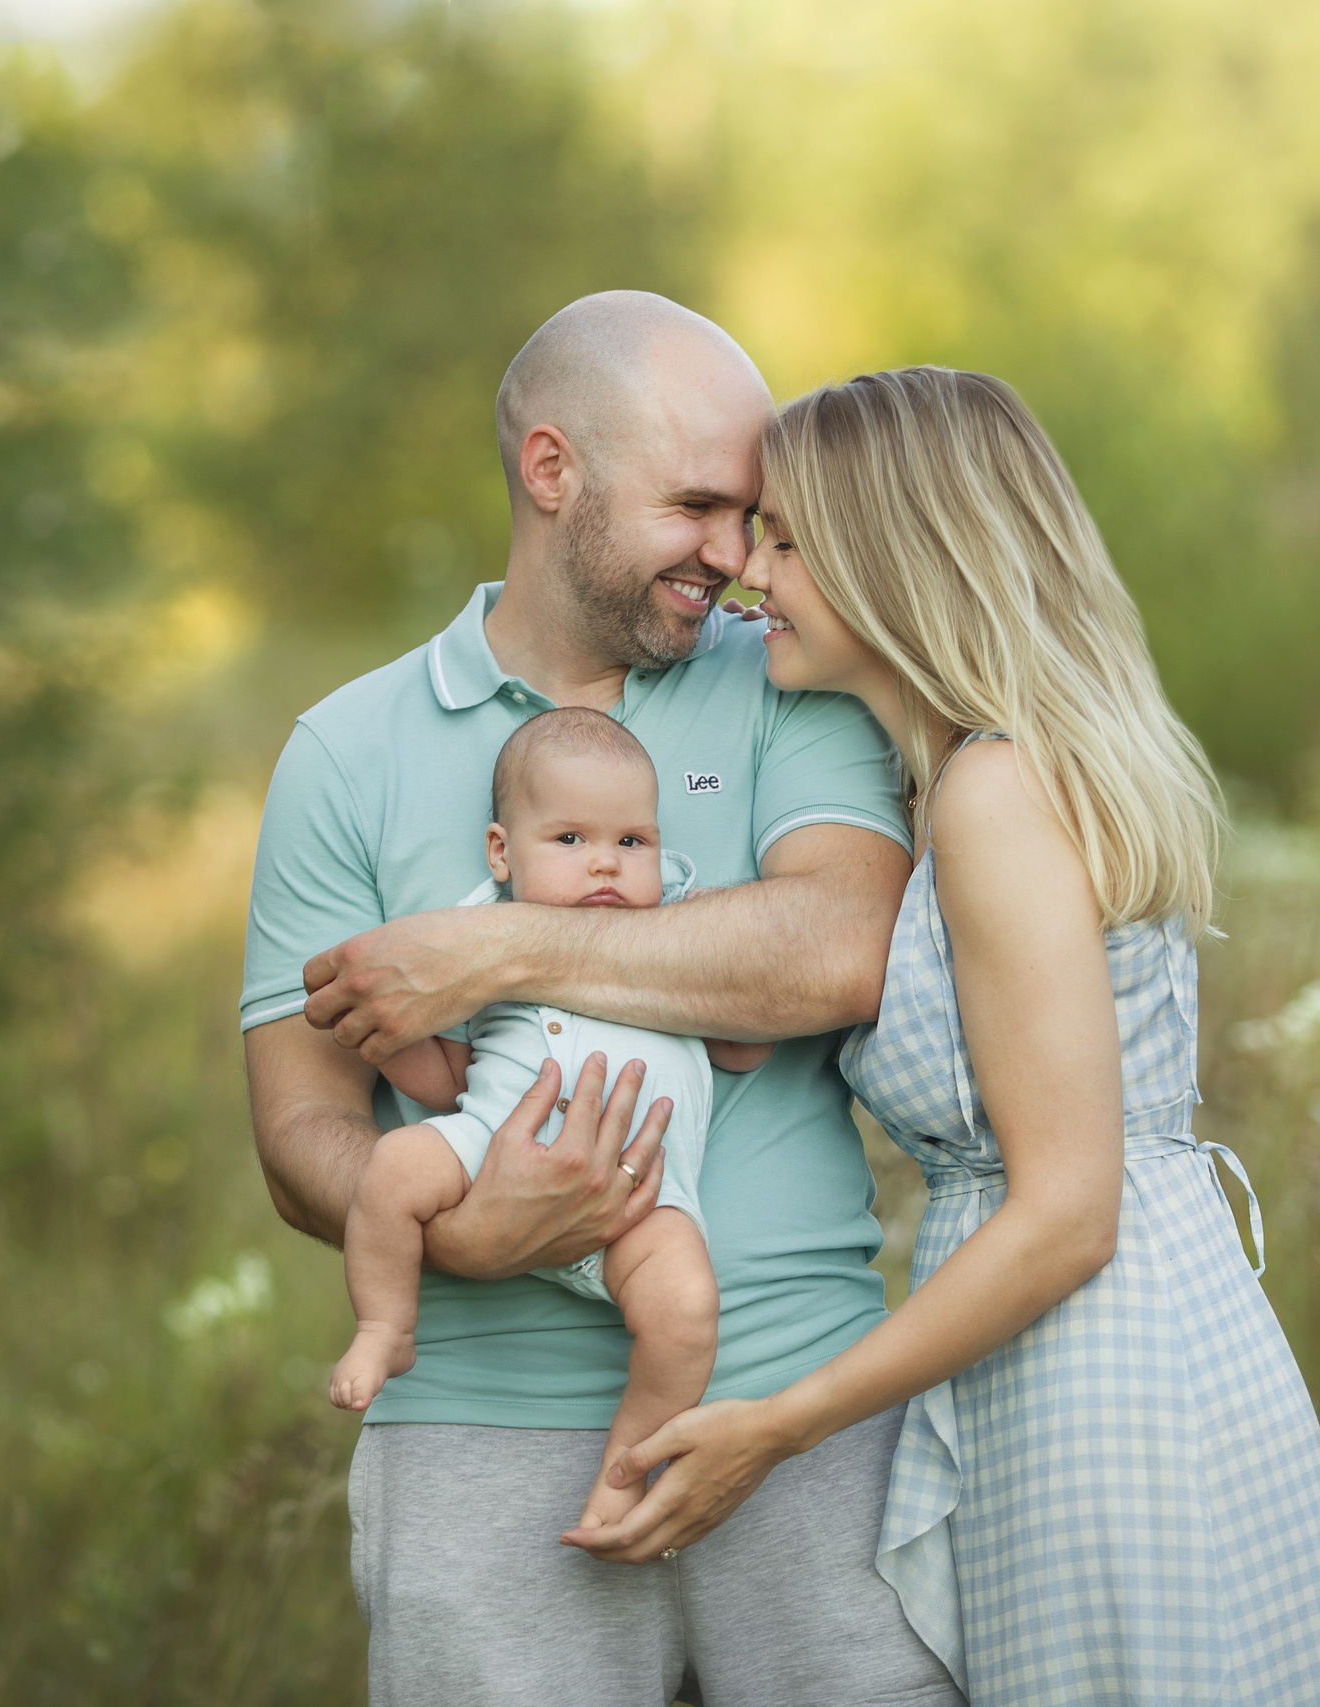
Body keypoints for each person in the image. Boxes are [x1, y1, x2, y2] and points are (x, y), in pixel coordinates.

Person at [568, 367, 1320, 1706]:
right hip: (1067, 1349)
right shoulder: (961, 776)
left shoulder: (996, 791)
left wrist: (781, 1424)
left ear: (896, 558)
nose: (751, 572)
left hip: (1101, 1368)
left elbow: (1067, 1215)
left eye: (786, 540)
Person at [241, 294, 961, 1706]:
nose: (734, 557)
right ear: (552, 469)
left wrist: (500, 952)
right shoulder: (346, 750)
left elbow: (841, 945)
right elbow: (297, 1126)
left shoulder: (793, 677)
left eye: (747, 516)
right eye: (695, 506)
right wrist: (464, 1235)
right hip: (476, 1445)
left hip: (805, 1413)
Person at [331, 707, 772, 1535]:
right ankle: (386, 1325)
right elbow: (450, 1078)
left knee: (686, 1310)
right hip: (489, 1148)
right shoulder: (475, 936)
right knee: (392, 1168)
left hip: (647, 1199)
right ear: (503, 852)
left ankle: (624, 1472)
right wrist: (388, 1043)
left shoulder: (677, 930)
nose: (605, 861)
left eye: (632, 841)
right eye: (570, 839)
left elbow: (743, 1046)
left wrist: (728, 966)